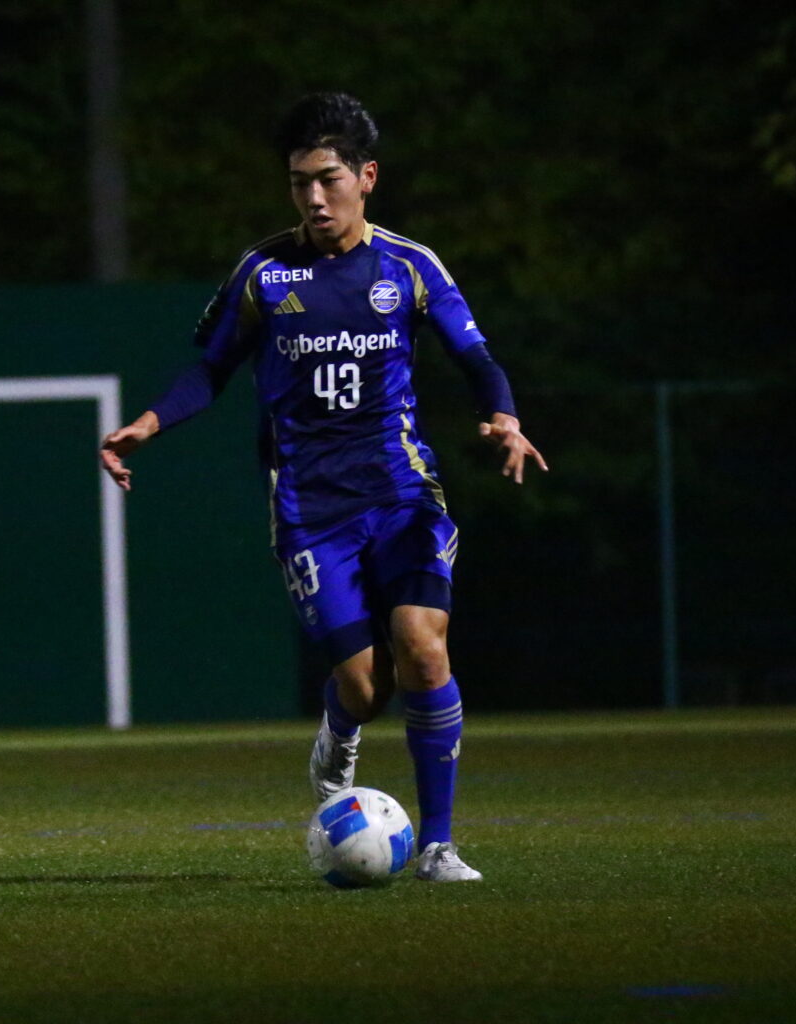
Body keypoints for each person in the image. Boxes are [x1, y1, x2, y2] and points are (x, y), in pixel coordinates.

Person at [99, 92, 547, 882]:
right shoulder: (263, 274)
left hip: (401, 492)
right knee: (366, 687)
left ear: (366, 177)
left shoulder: (409, 266)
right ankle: (341, 730)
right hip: (310, 509)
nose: (313, 197)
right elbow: (212, 367)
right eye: (299, 181)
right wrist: (149, 423)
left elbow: (476, 358)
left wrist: (504, 417)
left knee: (422, 646)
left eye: (328, 179)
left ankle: (439, 846)